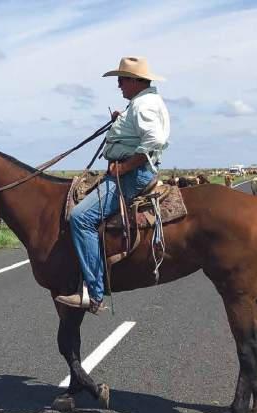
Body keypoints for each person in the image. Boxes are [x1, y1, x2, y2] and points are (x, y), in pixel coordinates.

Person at [54, 56, 171, 313]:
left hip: (132, 174)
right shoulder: (140, 103)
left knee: (81, 218)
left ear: (134, 80)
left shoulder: (143, 105)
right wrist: (122, 119)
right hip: (130, 171)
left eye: (121, 80)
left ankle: (94, 293)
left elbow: (153, 140)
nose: (118, 85)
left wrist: (125, 167)